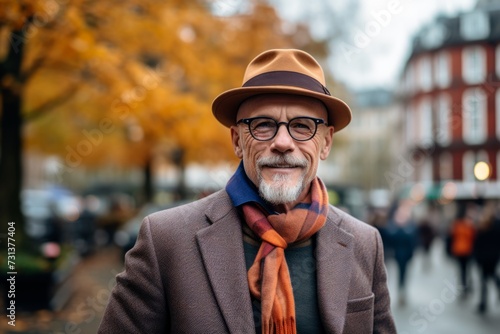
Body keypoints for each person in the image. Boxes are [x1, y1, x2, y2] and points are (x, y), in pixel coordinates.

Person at [98, 49, 396, 333]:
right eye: (263, 125)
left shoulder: (364, 244)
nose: (282, 142)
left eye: (303, 126)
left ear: (326, 142)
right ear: (237, 140)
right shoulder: (165, 240)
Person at [386, 201, 418, 307]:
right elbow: (390, 238)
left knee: (403, 273)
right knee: (398, 273)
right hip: (397, 254)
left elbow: (413, 240)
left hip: (406, 255)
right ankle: (400, 290)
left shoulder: (410, 226)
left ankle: (402, 290)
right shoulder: (393, 225)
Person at [472, 201, 500, 314]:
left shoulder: (482, 224)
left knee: (484, 278)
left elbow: (477, 242)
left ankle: (483, 303)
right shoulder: (495, 224)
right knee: (490, 275)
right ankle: (483, 302)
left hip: (484, 256)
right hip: (492, 256)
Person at [449, 206, 476, 295]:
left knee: (464, 270)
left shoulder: (457, 224)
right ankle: (465, 286)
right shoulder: (465, 224)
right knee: (465, 269)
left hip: (461, 250)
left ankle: (465, 285)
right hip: (465, 250)